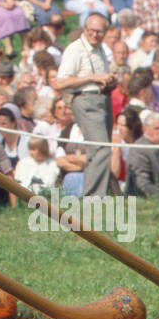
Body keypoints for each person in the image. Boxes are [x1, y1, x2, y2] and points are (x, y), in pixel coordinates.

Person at [53, 12, 118, 197]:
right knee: (100, 149)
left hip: (103, 99)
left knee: (100, 149)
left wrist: (109, 81)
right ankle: (94, 198)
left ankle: (107, 193)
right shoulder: (75, 49)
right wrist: (92, 77)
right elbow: (61, 82)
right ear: (85, 29)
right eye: (92, 31)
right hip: (85, 101)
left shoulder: (102, 50)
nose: (95, 35)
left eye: (100, 32)